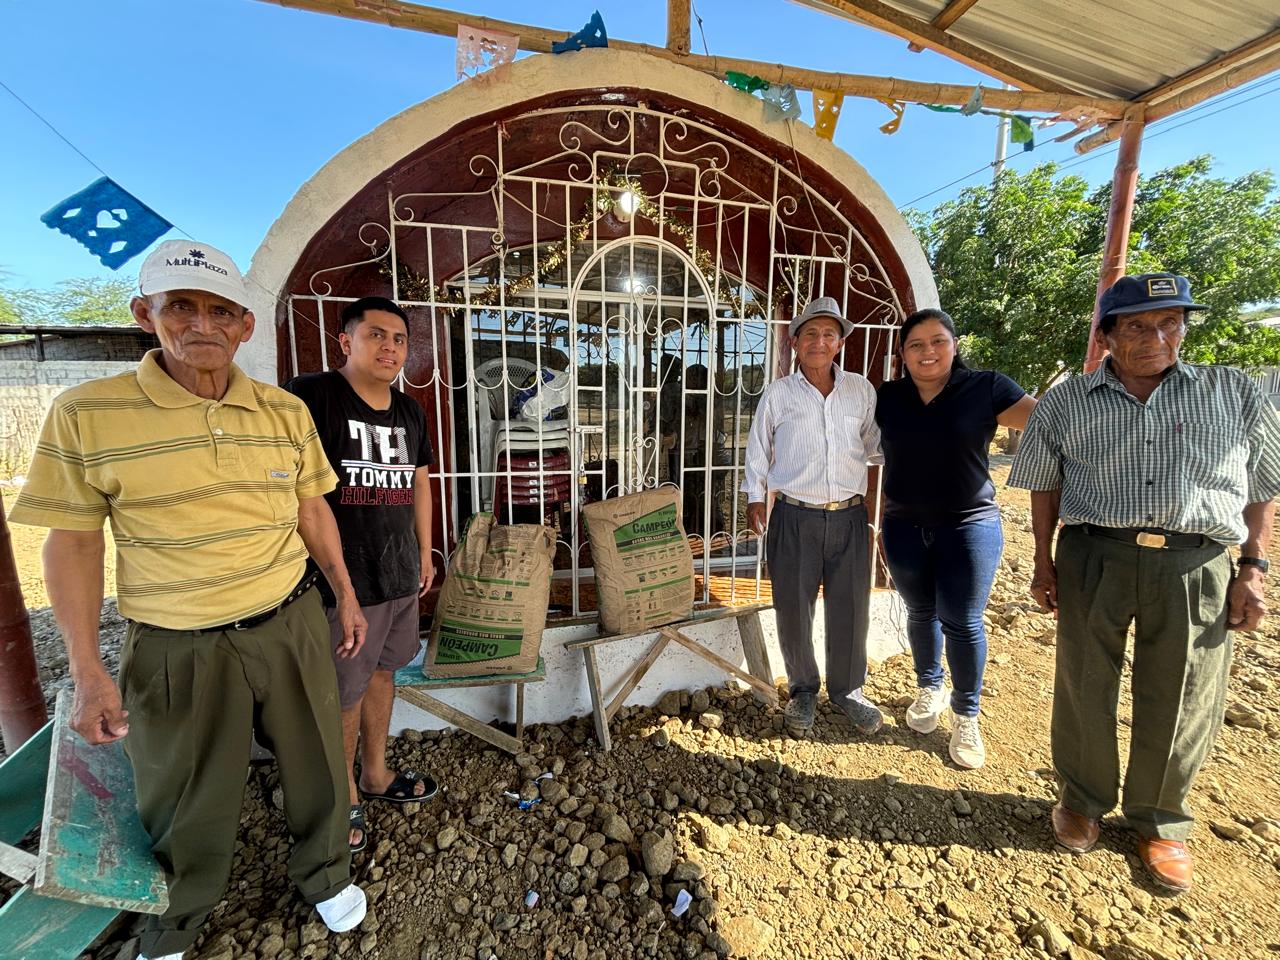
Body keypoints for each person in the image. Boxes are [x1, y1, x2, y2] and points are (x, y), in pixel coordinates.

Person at [10, 240, 369, 959]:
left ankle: (327, 874)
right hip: (177, 637)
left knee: (320, 764)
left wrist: (345, 593)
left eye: (220, 311)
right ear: (145, 314)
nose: (201, 324)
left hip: (289, 618)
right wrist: (87, 668)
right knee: (182, 790)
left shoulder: (283, 411)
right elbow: (73, 542)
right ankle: (177, 917)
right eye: (180, 306)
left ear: (245, 326)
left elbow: (311, 510)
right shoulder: (88, 413)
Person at [1009, 273, 1280, 892]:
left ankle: (1160, 821)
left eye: (1169, 323)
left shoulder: (1232, 391)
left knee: (1184, 692)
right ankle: (1082, 799)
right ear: (1106, 336)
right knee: (1084, 680)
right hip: (1095, 555)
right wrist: (1043, 563)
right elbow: (1044, 485)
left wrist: (1253, 567)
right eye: (1136, 326)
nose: (1155, 338)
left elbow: (1263, 486)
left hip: (1195, 562)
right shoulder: (1067, 401)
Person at [286, 296, 438, 855]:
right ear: (346, 341)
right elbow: (296, 493)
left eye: (399, 339)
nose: (390, 348)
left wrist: (424, 552)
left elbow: (419, 483)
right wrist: (340, 584)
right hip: (342, 583)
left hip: (398, 574)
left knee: (383, 673)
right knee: (343, 692)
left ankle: (375, 773)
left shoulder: (410, 412)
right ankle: (343, 794)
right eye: (376, 335)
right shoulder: (310, 396)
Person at [875, 308, 1036, 769]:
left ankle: (966, 714)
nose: (927, 352)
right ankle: (930, 686)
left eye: (937, 341)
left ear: (954, 345)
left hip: (968, 527)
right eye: (916, 344)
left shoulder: (986, 387)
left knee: (963, 622)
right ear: (902, 354)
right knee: (920, 612)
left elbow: (1048, 424)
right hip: (903, 526)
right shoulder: (889, 396)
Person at [742, 296, 883, 737]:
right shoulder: (779, 393)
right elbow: (758, 448)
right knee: (793, 607)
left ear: (840, 343)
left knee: (851, 606)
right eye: (810, 334)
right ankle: (803, 689)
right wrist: (755, 497)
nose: (819, 342)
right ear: (794, 342)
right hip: (794, 516)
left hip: (849, 517)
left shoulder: (861, 390)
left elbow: (874, 445)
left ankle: (848, 690)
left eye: (828, 334)